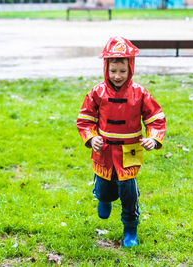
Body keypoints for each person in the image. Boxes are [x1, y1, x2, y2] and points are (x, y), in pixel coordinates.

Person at [76, 37, 166, 248]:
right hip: (104, 149)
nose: (117, 76)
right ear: (106, 68)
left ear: (131, 68)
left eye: (122, 71)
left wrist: (153, 138)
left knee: (129, 192)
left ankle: (130, 229)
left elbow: (155, 117)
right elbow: (85, 118)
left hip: (130, 150)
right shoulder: (97, 92)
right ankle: (103, 198)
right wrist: (91, 137)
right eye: (113, 71)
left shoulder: (140, 93)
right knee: (105, 185)